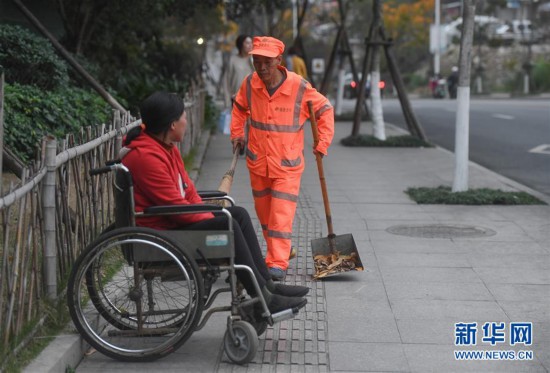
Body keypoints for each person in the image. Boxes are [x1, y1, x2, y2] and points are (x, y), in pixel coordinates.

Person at [120, 91, 309, 314]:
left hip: (171, 221)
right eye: (183, 117)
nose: (186, 121)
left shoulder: (164, 146)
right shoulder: (146, 158)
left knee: (237, 214)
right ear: (172, 124)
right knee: (228, 222)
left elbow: (187, 190)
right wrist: (211, 216)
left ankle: (267, 285)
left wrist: (208, 210)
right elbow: (175, 209)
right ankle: (263, 298)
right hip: (161, 231)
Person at [230, 36, 334, 281]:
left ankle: (277, 263)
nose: (262, 68)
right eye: (257, 62)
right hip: (258, 162)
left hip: (287, 165)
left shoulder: (299, 87)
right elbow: (238, 108)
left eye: (267, 62)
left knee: (280, 215)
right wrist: (237, 134)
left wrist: (323, 142)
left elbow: (325, 109)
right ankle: (283, 250)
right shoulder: (249, 84)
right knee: (265, 217)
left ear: (279, 60)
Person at [227, 34, 254, 99]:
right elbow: (227, 80)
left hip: (252, 97)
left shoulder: (254, 60)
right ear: (240, 44)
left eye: (251, 43)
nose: (250, 45)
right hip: (236, 97)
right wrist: (228, 98)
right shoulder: (232, 60)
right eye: (247, 43)